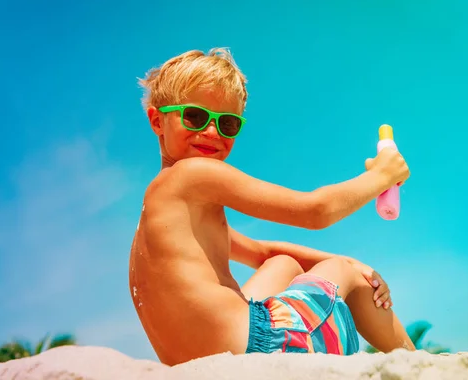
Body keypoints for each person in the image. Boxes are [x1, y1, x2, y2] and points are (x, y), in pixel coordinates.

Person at [129, 47, 416, 366]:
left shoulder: (163, 217)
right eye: (195, 116)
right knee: (343, 274)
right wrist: (382, 175)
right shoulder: (192, 173)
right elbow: (314, 211)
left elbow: (261, 252)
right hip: (265, 350)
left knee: (283, 263)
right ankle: (415, 361)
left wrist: (349, 258)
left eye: (227, 124)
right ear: (157, 120)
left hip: (203, 366)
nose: (211, 132)